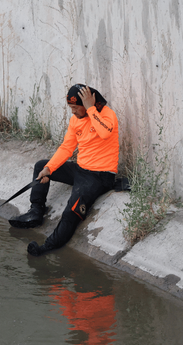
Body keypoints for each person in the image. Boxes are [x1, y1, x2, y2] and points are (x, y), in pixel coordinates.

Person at [9, 84, 119, 256]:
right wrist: (48, 169)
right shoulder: (75, 120)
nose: (73, 112)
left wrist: (91, 109)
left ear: (87, 103)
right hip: (80, 169)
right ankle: (36, 212)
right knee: (41, 166)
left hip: (100, 176)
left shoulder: (107, 114)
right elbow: (67, 148)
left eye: (76, 108)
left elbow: (105, 133)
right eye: (71, 108)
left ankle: (47, 246)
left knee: (71, 209)